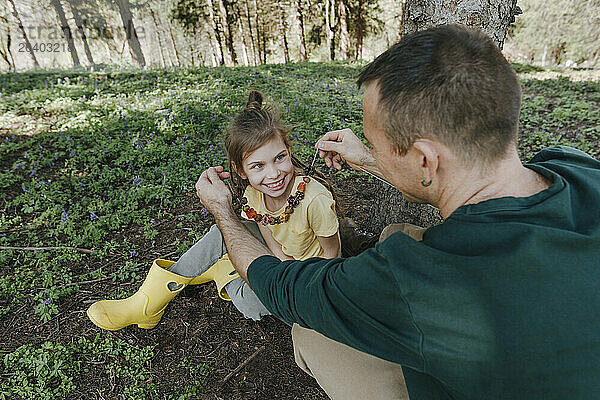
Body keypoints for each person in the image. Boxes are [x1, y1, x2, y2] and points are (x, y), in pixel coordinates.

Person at [194, 24, 600, 399]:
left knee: (310, 335)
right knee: (397, 232)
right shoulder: (576, 168)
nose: (371, 150)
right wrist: (373, 160)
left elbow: (280, 285)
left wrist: (224, 214)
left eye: (376, 143)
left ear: (425, 160)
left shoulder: (418, 277)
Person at [86, 90, 341, 330]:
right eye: (258, 166)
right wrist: (280, 261)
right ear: (240, 170)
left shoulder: (314, 199)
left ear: (288, 150)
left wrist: (288, 276)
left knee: (250, 303)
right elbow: (266, 230)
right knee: (223, 229)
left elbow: (333, 257)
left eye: (280, 158)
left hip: (308, 279)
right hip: (282, 261)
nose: (273, 174)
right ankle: (147, 302)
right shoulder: (255, 193)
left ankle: (224, 270)